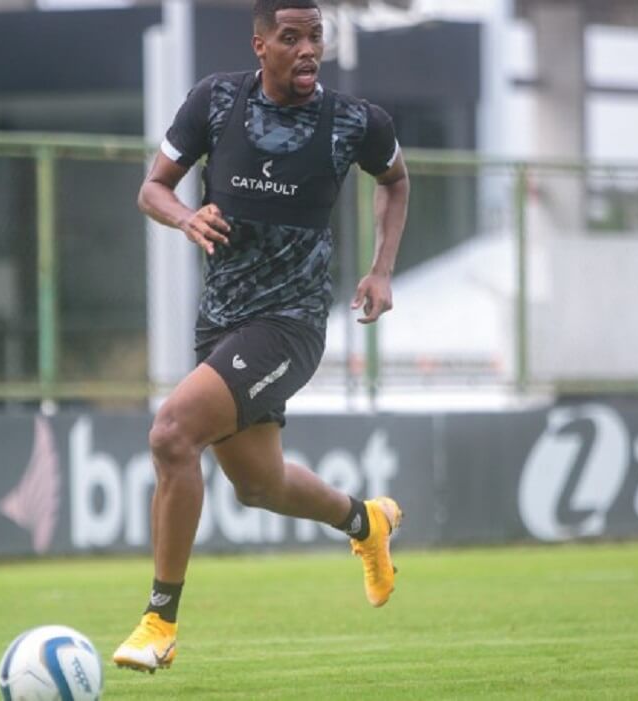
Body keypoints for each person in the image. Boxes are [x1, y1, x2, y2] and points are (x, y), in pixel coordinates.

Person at [112, 0, 411, 674]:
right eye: (291, 37)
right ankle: (366, 521)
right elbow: (152, 189)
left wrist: (381, 270)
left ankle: (159, 621)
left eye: (316, 37)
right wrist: (186, 218)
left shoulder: (355, 122)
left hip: (291, 324)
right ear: (260, 45)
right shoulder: (215, 102)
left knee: (171, 433)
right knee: (259, 484)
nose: (308, 50)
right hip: (221, 319)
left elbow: (395, 180)